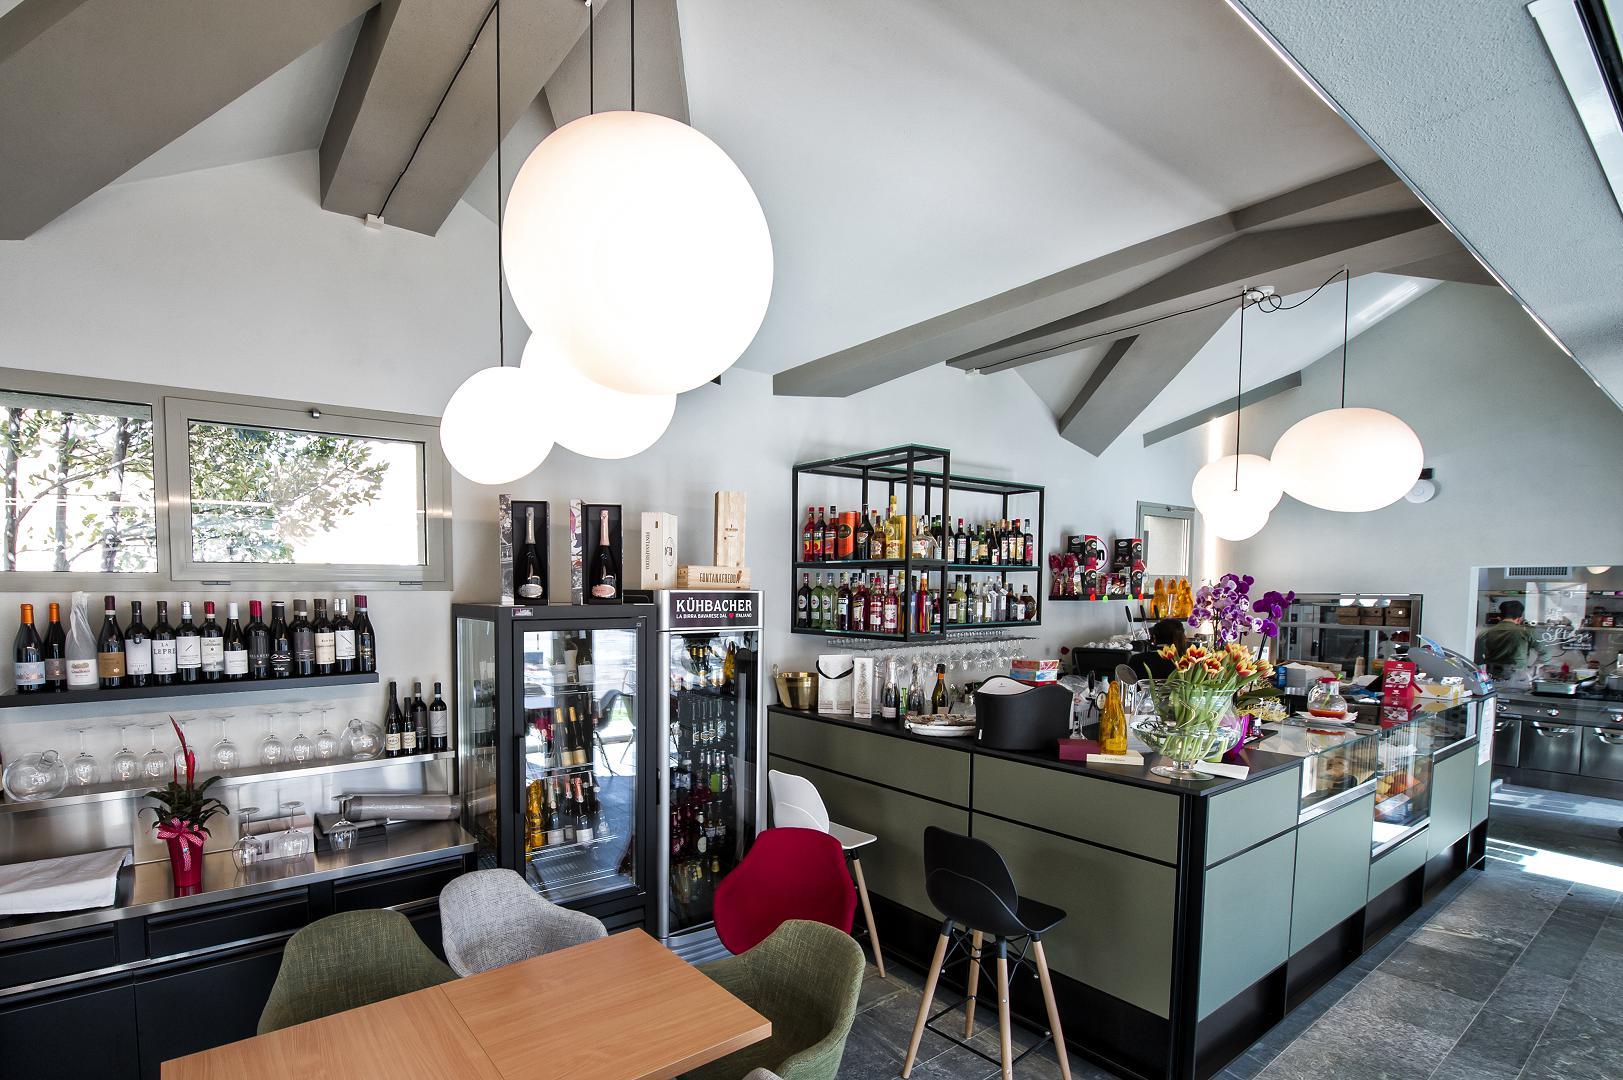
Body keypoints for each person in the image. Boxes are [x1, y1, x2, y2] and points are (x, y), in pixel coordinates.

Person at [1474, 600, 1552, 682]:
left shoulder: (1484, 634)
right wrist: (1530, 672)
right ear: (1519, 619)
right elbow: (1546, 653)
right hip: (1518, 679)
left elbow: (1478, 660)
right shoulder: (1526, 633)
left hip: (1491, 679)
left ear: (1500, 617)